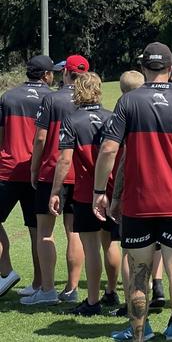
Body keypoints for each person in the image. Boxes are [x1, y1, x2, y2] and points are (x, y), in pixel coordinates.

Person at [93, 42, 172, 342]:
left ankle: (138, 335)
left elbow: (109, 149)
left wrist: (100, 191)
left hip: (139, 203)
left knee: (140, 271)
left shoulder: (128, 102)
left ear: (144, 68)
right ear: (170, 70)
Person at [48, 72, 121, 315]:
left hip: (86, 193)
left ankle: (92, 302)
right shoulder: (112, 117)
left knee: (91, 248)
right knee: (111, 243)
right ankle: (111, 292)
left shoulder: (72, 119)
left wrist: (55, 190)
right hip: (111, 191)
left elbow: (65, 161)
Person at [22, 55, 89, 306]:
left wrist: (33, 167)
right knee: (74, 234)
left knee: (45, 233)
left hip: (51, 173)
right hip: (79, 174)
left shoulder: (51, 99)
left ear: (66, 73)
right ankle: (72, 290)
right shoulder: (89, 100)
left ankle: (48, 289)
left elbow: (40, 138)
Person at [0, 55, 57, 299]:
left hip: (8, 169)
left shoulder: (8, 97)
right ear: (46, 75)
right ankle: (38, 283)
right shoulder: (52, 99)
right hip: (39, 172)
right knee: (38, 230)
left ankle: (6, 271)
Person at [107, 70, 146, 319]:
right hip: (160, 188)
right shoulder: (152, 108)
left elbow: (114, 152)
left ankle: (131, 304)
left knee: (129, 251)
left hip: (129, 185)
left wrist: (113, 193)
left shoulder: (123, 111)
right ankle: (156, 289)